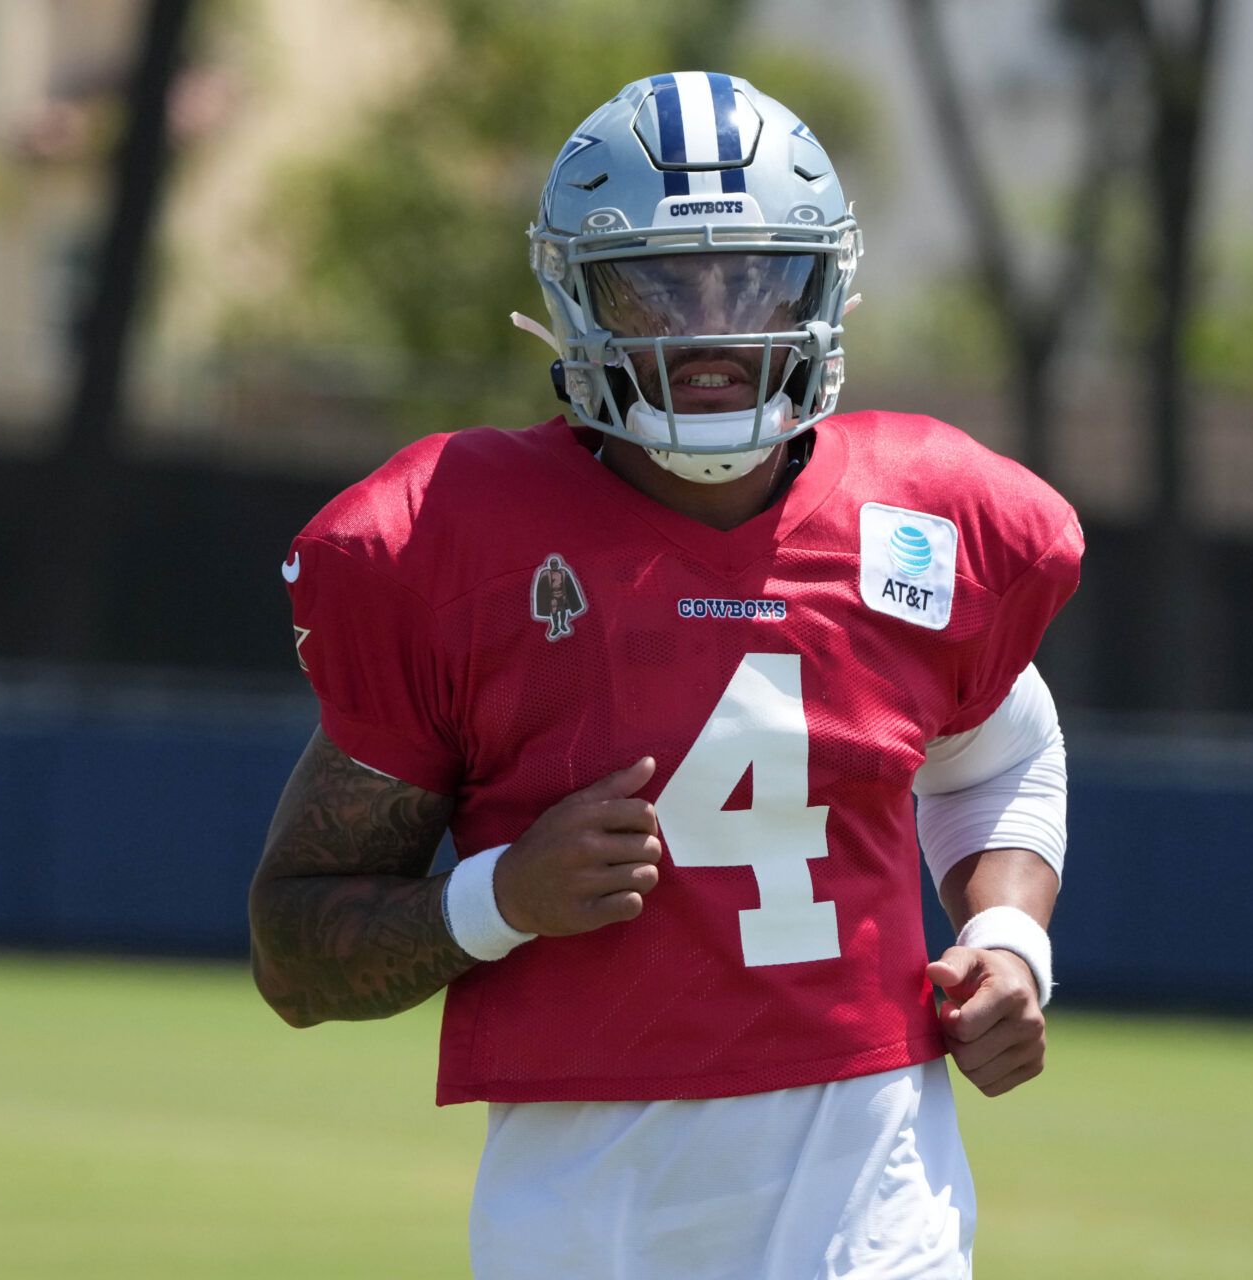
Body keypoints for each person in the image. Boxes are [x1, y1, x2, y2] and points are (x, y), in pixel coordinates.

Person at [249, 71, 1081, 1279]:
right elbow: (292, 952)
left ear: (826, 283)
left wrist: (1008, 940)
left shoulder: (918, 518)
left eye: (754, 275)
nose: (712, 326)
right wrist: (499, 899)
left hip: (876, 1207)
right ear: (572, 297)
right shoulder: (449, 541)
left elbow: (1005, 753)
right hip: (592, 1228)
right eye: (658, 282)